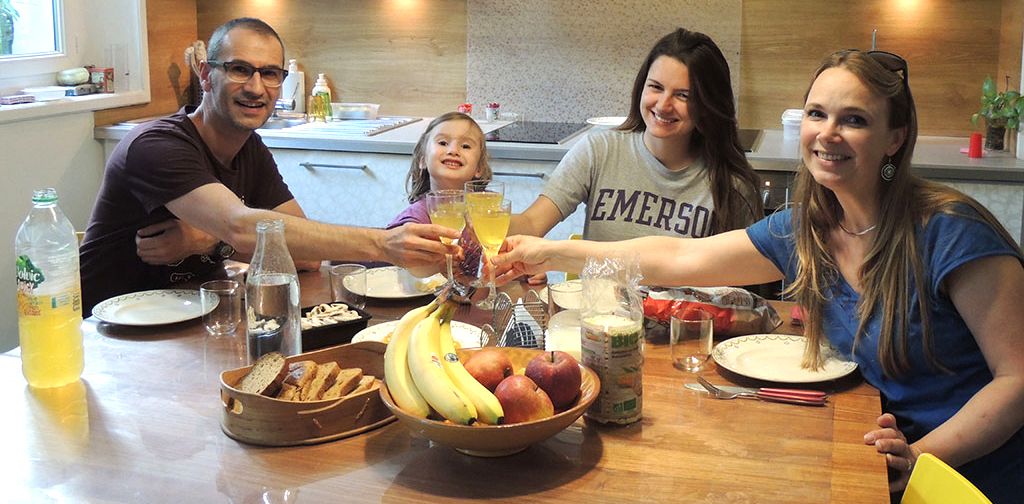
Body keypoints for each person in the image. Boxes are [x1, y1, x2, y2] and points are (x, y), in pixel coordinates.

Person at [495, 49, 1024, 501]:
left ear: (894, 138)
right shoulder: (808, 229)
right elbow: (679, 258)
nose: (828, 133)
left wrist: (921, 456)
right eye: (817, 114)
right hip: (877, 460)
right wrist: (550, 251)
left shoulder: (950, 233)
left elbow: (1017, 381)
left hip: (969, 478)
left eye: (855, 119)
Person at [80, 17, 457, 314]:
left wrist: (207, 242)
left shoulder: (250, 150)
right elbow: (239, 226)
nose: (256, 88)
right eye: (239, 69)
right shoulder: (157, 145)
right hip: (110, 328)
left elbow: (306, 257)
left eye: (270, 73)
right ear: (206, 76)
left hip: (196, 315)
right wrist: (383, 243)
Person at [509, 28, 762, 250]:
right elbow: (531, 223)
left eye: (683, 95)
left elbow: (737, 286)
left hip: (687, 307)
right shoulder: (598, 150)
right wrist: (474, 219)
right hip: (600, 306)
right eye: (656, 87)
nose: (663, 105)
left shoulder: (732, 186)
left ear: (708, 104)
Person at [386, 112, 491, 281]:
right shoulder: (417, 217)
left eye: (465, 146)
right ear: (423, 160)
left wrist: (524, 269)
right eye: (443, 143)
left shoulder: (487, 209)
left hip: (472, 302)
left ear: (479, 168)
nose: (453, 151)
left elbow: (502, 253)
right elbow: (407, 269)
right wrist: (436, 265)